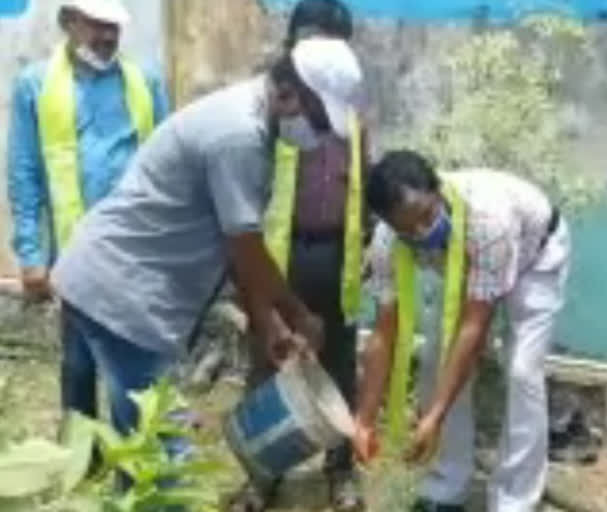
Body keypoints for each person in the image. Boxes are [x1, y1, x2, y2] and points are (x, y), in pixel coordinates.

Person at [48, 38, 362, 467]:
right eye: (320, 120)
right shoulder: (240, 137)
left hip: (108, 278)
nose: (320, 135)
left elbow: (234, 246)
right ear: (288, 92)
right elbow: (246, 246)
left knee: (138, 442)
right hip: (123, 294)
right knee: (162, 454)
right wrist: (298, 314)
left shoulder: (249, 122)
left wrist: (269, 322)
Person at [354, 151, 571, 512]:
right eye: (408, 229)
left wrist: (434, 416)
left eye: (426, 215)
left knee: (521, 373)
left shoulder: (488, 220)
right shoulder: (387, 242)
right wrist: (363, 419)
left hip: (536, 257)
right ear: (390, 225)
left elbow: (474, 326)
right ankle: (444, 487)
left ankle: (515, 500)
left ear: (438, 189)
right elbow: (384, 332)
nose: (421, 232)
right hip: (467, 270)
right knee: (437, 359)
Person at [6, 0, 169, 426]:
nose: (108, 36)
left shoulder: (144, 80)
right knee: (78, 362)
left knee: (131, 362)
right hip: (75, 249)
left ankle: (131, 461)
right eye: (97, 25)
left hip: (135, 249)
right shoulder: (35, 85)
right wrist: (30, 253)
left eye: (114, 26)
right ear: (68, 23)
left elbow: (169, 163)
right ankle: (80, 458)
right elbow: (25, 174)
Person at [238, 0, 367, 510]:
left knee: (336, 363)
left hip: (337, 253)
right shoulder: (270, 106)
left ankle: (340, 471)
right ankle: (262, 473)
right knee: (267, 361)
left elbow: (363, 176)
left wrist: (365, 249)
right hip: (279, 253)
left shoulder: (351, 104)